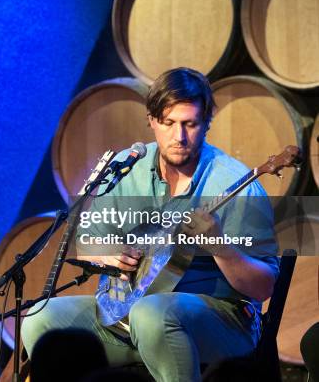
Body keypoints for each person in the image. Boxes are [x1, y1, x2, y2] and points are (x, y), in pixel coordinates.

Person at [21, 68, 279, 382]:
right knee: (40, 320)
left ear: (207, 122)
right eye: (169, 123)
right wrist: (107, 254)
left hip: (222, 320)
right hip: (126, 313)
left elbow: (265, 287)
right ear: (152, 120)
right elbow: (88, 242)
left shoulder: (236, 183)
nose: (179, 137)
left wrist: (222, 250)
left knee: (152, 314)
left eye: (190, 124)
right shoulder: (130, 168)